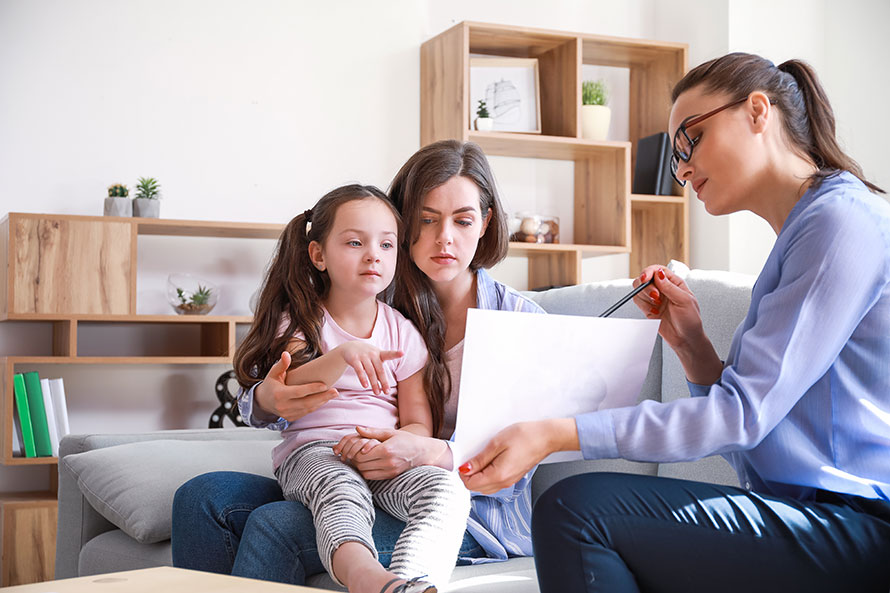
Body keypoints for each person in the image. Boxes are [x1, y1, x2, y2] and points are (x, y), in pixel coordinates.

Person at [457, 52, 890, 593]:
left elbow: (742, 418)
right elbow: (750, 431)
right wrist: (691, 345)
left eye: (691, 139)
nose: (681, 167)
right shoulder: (806, 233)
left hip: (856, 527)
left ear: (758, 111)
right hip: (803, 514)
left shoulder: (838, 222)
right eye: (677, 156)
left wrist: (558, 433)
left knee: (575, 509)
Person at [171, 140, 545, 585]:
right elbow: (279, 387)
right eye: (426, 220)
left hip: (467, 511)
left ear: (484, 223)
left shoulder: (520, 322)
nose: (445, 237)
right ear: (403, 224)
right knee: (202, 498)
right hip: (337, 461)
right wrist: (267, 400)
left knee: (278, 526)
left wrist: (421, 450)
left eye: (463, 220)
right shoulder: (371, 288)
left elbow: (521, 458)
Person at [231, 183, 472, 593]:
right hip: (314, 451)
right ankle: (367, 580)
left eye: (387, 244)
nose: (373, 255)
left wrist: (390, 446)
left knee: (447, 488)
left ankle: (414, 581)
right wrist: (342, 355)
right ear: (318, 255)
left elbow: (418, 425)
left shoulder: (403, 332)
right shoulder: (300, 321)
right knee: (341, 491)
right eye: (355, 242)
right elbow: (289, 384)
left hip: (383, 456)